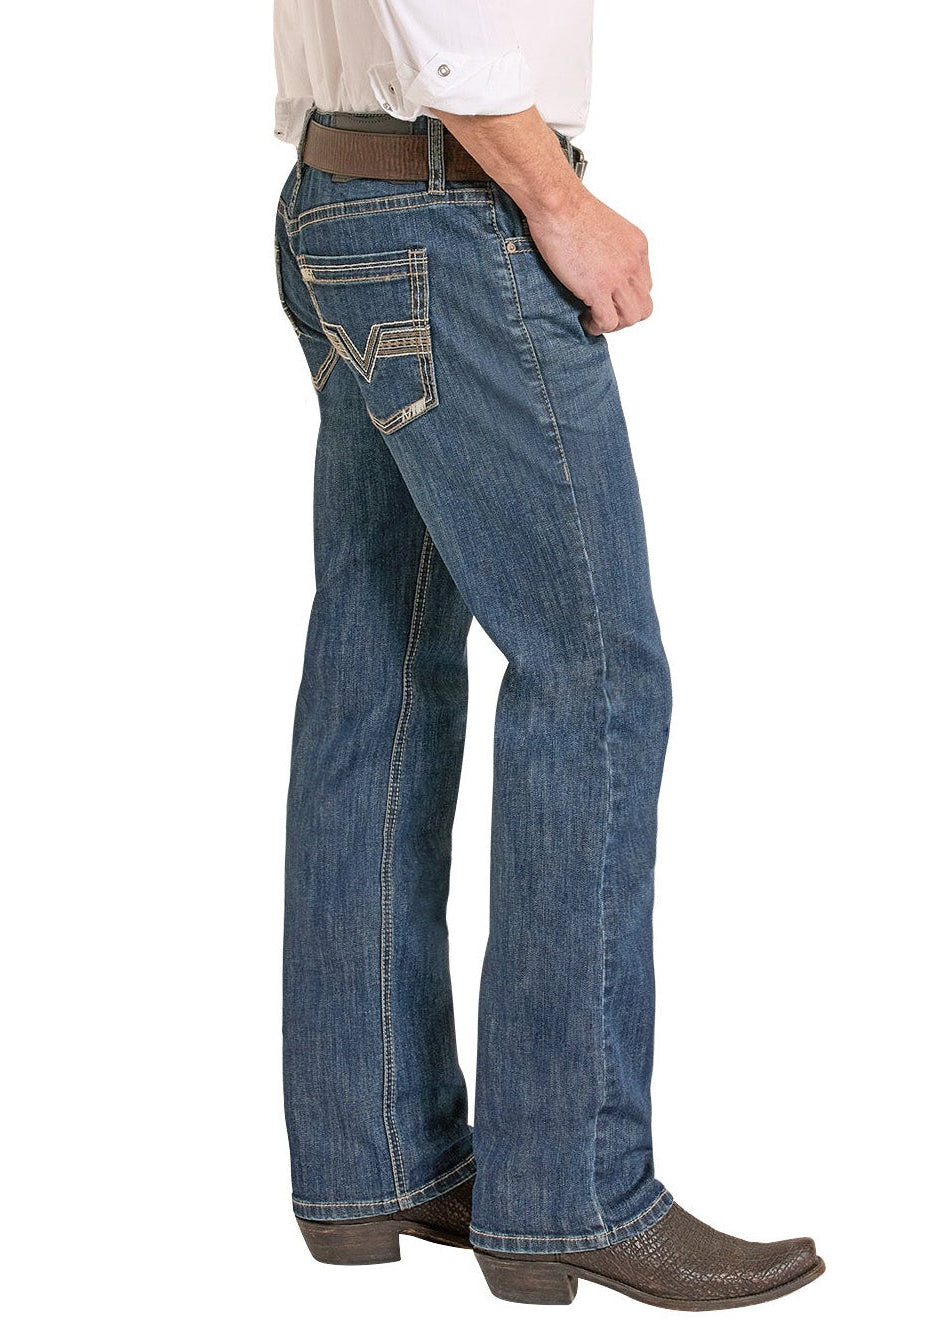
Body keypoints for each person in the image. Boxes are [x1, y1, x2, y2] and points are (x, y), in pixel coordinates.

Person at [271, 1, 825, 1310]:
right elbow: (444, 32)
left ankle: (378, 1158)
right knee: (594, 681)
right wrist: (556, 203)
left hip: (339, 197)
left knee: (380, 681)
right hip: (458, 207)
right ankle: (569, 1188)